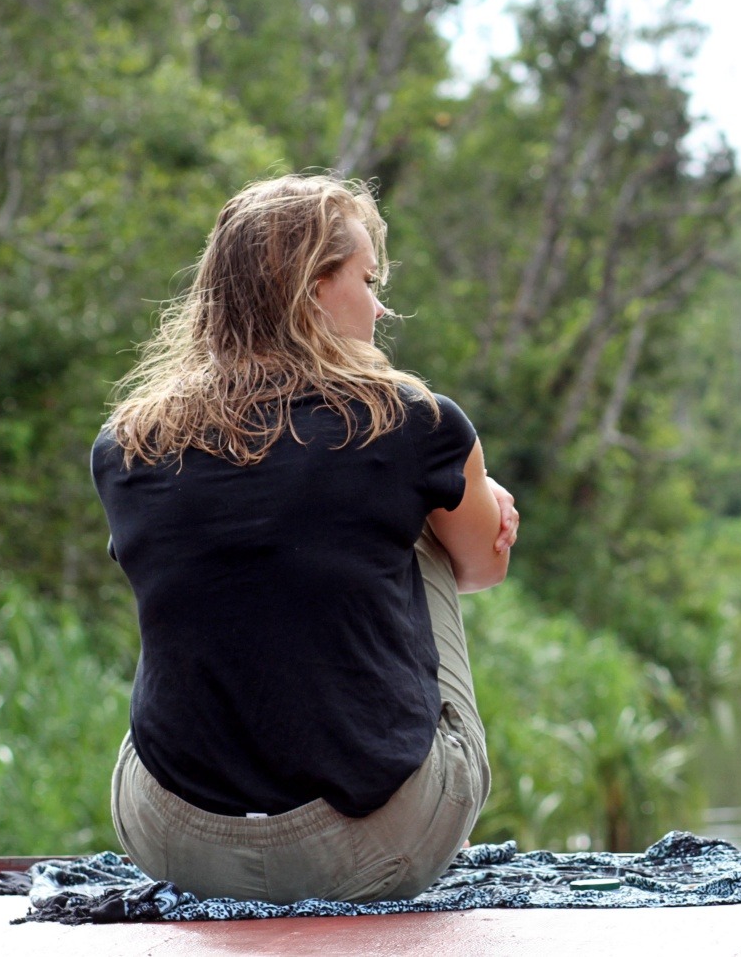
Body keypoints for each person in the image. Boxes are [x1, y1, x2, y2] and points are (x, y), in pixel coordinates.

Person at [91, 173, 516, 903]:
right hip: (373, 850)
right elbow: (480, 568)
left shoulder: (127, 443)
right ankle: (413, 795)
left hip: (176, 845)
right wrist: (477, 495)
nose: (379, 307)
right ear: (314, 289)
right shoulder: (414, 422)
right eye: (367, 280)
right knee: (425, 535)